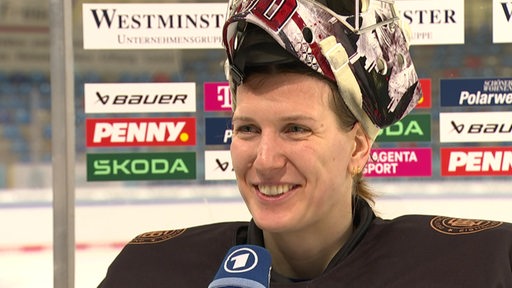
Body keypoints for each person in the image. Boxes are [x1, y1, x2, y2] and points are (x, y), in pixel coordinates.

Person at [98, 0, 512, 287]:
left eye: (296, 129)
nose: (264, 159)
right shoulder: (149, 270)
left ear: (357, 148)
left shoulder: (479, 265)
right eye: (247, 129)